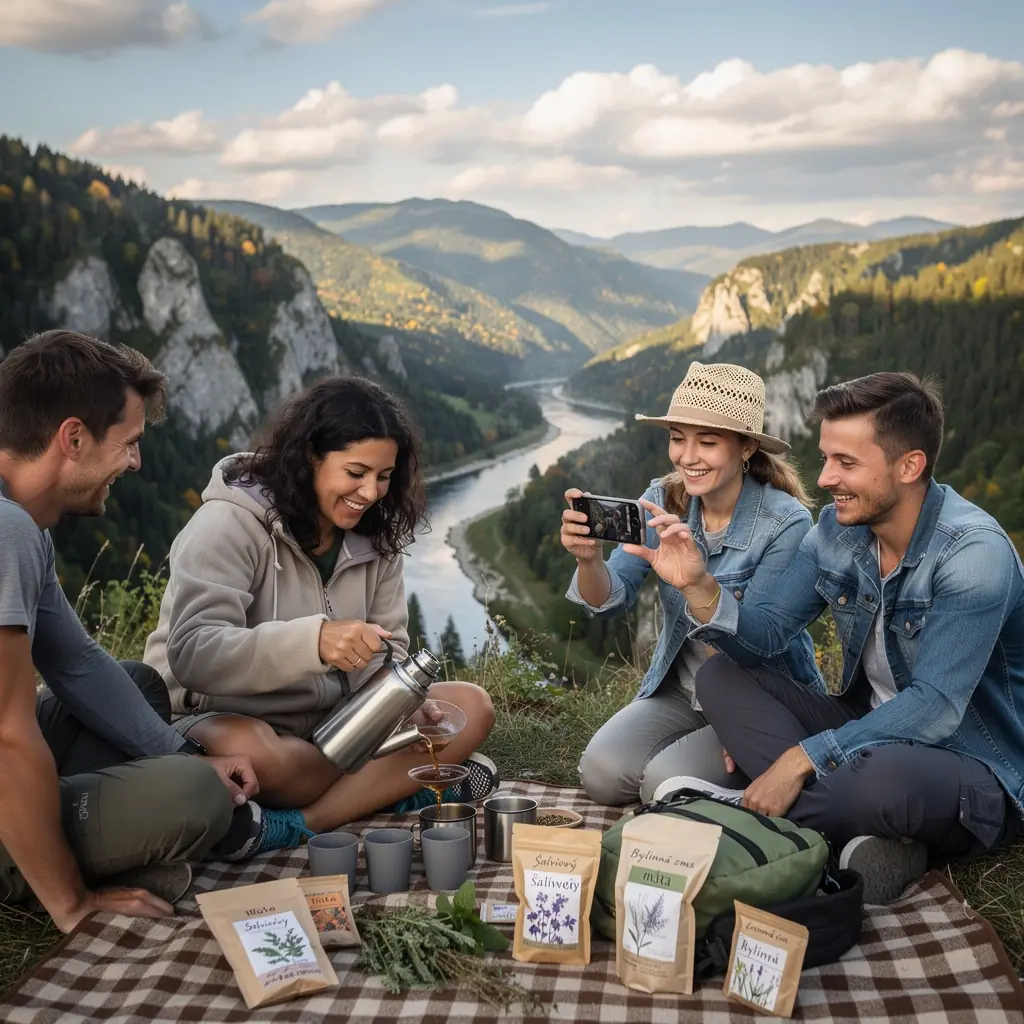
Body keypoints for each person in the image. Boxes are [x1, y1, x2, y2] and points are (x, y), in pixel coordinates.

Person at [635, 371, 1024, 905]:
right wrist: (701, 587)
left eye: (846, 463)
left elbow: (934, 708)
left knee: (880, 780)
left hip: (970, 764)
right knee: (721, 675)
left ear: (909, 465)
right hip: (865, 733)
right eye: (825, 458)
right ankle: (860, 838)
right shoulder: (838, 532)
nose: (823, 479)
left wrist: (801, 759)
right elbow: (765, 635)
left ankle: (728, 811)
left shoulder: (972, 555)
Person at [0, 330, 273, 934]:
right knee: (194, 803)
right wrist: (73, 903)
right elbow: (7, 740)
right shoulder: (5, 532)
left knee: (137, 684)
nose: (136, 463)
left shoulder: (23, 523)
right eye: (128, 444)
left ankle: (81, 829)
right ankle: (48, 870)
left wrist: (188, 755)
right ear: (72, 438)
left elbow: (76, 665)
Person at [144, 375, 498, 839]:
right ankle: (391, 791)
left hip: (334, 727)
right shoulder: (226, 523)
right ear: (310, 456)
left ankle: (294, 825)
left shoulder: (378, 537)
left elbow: (386, 656)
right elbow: (193, 653)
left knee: (471, 706)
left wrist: (400, 706)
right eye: (356, 473)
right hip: (223, 718)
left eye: (384, 476)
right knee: (261, 755)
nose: (371, 493)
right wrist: (313, 643)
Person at [561, 361, 819, 805]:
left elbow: (759, 644)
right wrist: (590, 560)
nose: (687, 457)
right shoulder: (662, 498)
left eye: (708, 441)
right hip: (681, 690)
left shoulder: (786, 523)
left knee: (661, 786)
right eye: (677, 439)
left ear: (746, 448)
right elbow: (610, 597)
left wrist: (739, 723)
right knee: (601, 774)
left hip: (752, 695)